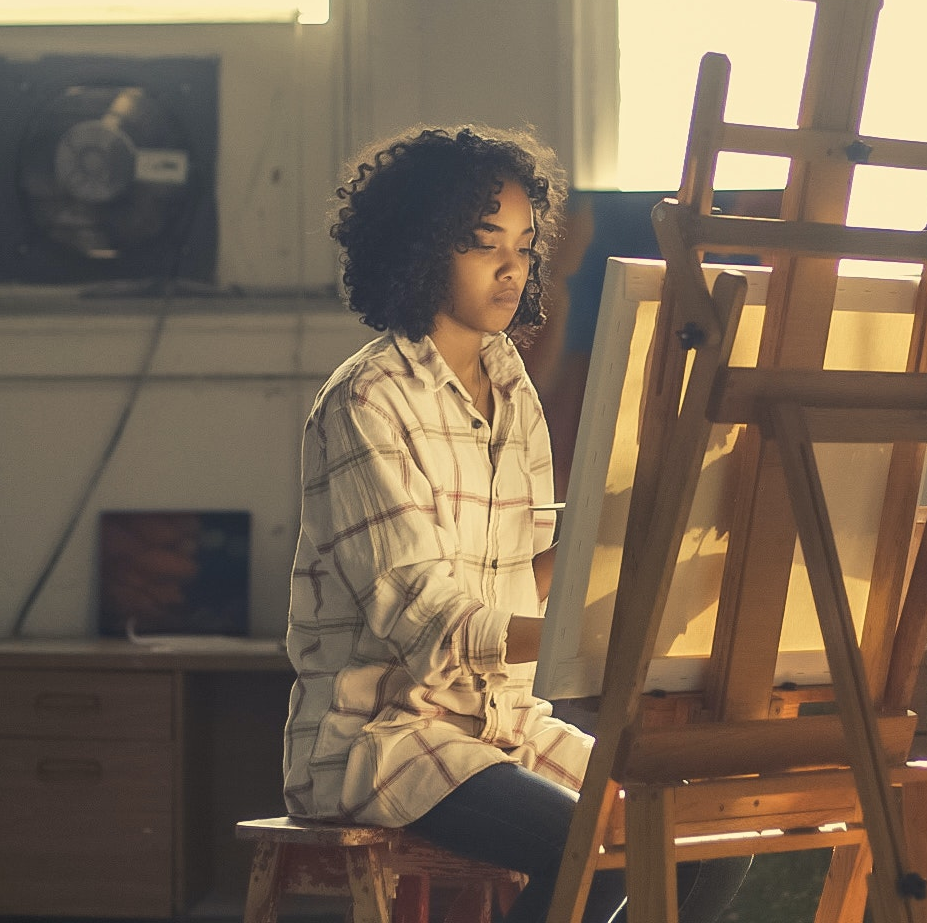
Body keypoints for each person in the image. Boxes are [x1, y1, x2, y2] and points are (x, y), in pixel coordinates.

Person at [283, 125, 748, 923]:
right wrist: (595, 635)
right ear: (422, 248)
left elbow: (528, 578)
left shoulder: (512, 389)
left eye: (526, 247)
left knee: (714, 833)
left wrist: (621, 540)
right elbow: (426, 622)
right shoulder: (367, 400)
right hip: (389, 738)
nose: (512, 267)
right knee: (591, 848)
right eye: (482, 243)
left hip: (506, 726)